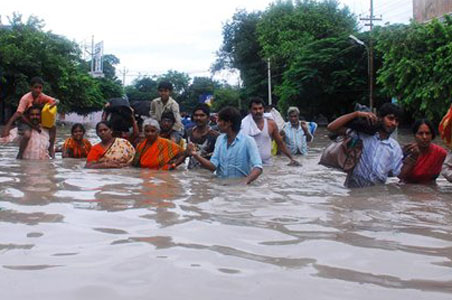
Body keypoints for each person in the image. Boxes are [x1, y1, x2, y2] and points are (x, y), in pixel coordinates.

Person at [327, 103, 404, 188]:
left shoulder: (395, 147)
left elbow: (397, 174)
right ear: (380, 118)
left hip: (377, 193)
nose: (393, 123)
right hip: (353, 189)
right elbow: (331, 127)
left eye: (397, 121)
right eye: (390, 118)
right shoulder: (361, 135)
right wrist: (356, 114)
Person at [187, 106, 263, 184]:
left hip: (240, 190)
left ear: (228, 123)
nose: (217, 124)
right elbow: (213, 166)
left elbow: (258, 167)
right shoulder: (220, 139)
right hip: (221, 188)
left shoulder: (248, 141)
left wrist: (245, 181)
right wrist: (195, 155)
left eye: (219, 121)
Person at [1, 77, 58, 158]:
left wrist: (48, 106)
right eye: (35, 87)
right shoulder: (25, 98)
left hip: (36, 120)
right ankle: (20, 154)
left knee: (53, 127)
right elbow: (19, 114)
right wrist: (7, 127)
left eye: (40, 88)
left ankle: (51, 147)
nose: (38, 90)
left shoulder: (42, 96)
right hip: (24, 120)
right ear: (31, 87)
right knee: (27, 135)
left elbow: (56, 101)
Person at [241, 98, 299, 165]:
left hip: (267, 164)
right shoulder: (244, 125)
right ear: (250, 110)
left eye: (260, 108)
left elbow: (280, 143)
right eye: (255, 109)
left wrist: (291, 159)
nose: (258, 111)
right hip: (249, 164)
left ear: (263, 109)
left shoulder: (271, 124)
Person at [398, 119, 447, 184]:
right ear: (415, 135)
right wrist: (413, 158)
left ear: (432, 135)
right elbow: (400, 176)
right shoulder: (408, 151)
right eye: (420, 133)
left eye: (427, 133)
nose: (424, 137)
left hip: (430, 188)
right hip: (408, 188)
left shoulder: (440, 153)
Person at [186, 104, 219, 169]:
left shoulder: (215, 136)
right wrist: (174, 165)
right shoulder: (189, 132)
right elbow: (186, 154)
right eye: (196, 115)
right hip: (190, 174)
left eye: (202, 115)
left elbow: (217, 162)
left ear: (208, 118)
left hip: (207, 175)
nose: (198, 118)